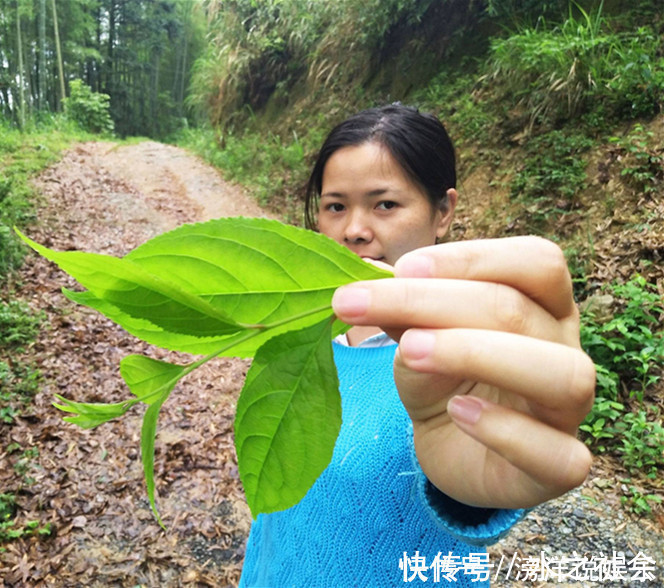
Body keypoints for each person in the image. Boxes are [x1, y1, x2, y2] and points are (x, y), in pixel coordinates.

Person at [238, 104, 595, 587]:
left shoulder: (460, 360)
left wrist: (474, 493)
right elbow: (274, 512)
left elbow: (464, 477)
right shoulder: (299, 338)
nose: (354, 230)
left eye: (384, 204)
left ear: (442, 211)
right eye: (335, 206)